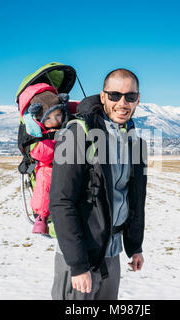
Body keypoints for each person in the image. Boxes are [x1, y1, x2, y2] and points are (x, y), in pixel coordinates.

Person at [49, 68, 148, 300]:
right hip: (80, 257)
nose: (122, 103)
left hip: (112, 255)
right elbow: (61, 201)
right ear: (103, 96)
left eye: (130, 97)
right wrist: (77, 264)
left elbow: (135, 198)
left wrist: (135, 247)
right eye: (114, 95)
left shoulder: (135, 142)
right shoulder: (76, 134)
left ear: (138, 99)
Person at [18, 83, 72, 236]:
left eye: (57, 115)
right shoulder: (36, 133)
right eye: (48, 118)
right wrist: (55, 141)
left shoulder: (68, 125)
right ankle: (42, 216)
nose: (54, 121)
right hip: (46, 165)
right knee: (45, 178)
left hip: (67, 163)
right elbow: (40, 154)